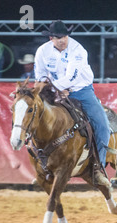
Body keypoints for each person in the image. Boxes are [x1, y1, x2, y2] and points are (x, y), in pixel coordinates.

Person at [34, 20, 111, 186]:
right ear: (51, 38)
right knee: (36, 116)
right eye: (58, 37)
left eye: (65, 36)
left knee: (103, 126)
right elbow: (40, 76)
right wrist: (45, 90)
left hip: (81, 91)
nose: (62, 40)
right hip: (54, 90)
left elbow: (71, 77)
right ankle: (44, 166)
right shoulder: (42, 51)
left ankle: (98, 168)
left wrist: (56, 88)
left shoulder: (78, 50)